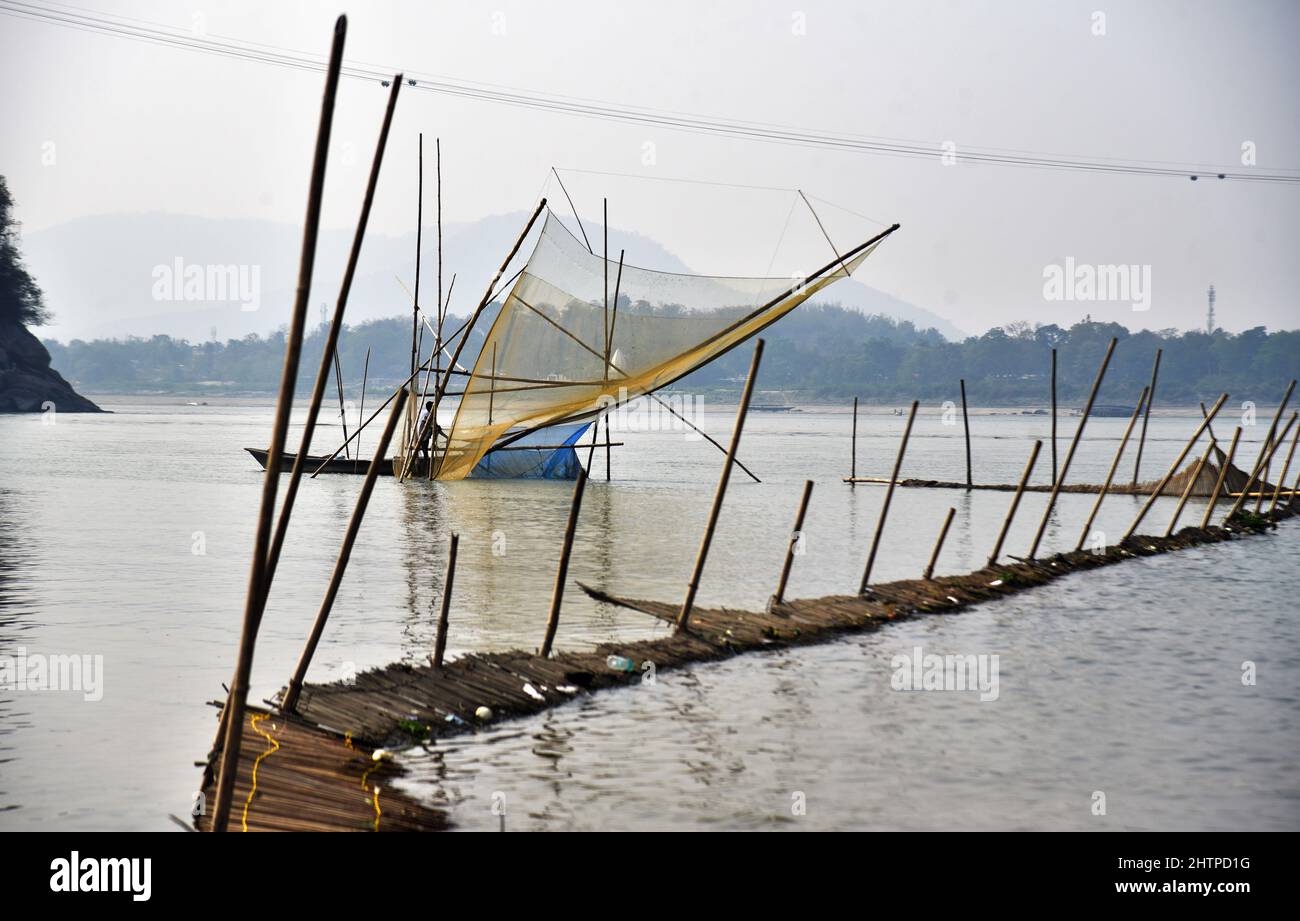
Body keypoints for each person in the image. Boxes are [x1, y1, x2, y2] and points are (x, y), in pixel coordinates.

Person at [415, 400, 435, 467]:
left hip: (423, 435)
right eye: (433, 407)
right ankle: (424, 467)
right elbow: (426, 423)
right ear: (430, 408)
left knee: (425, 452)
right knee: (425, 453)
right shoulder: (427, 414)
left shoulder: (426, 413)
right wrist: (436, 427)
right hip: (423, 435)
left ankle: (424, 465)